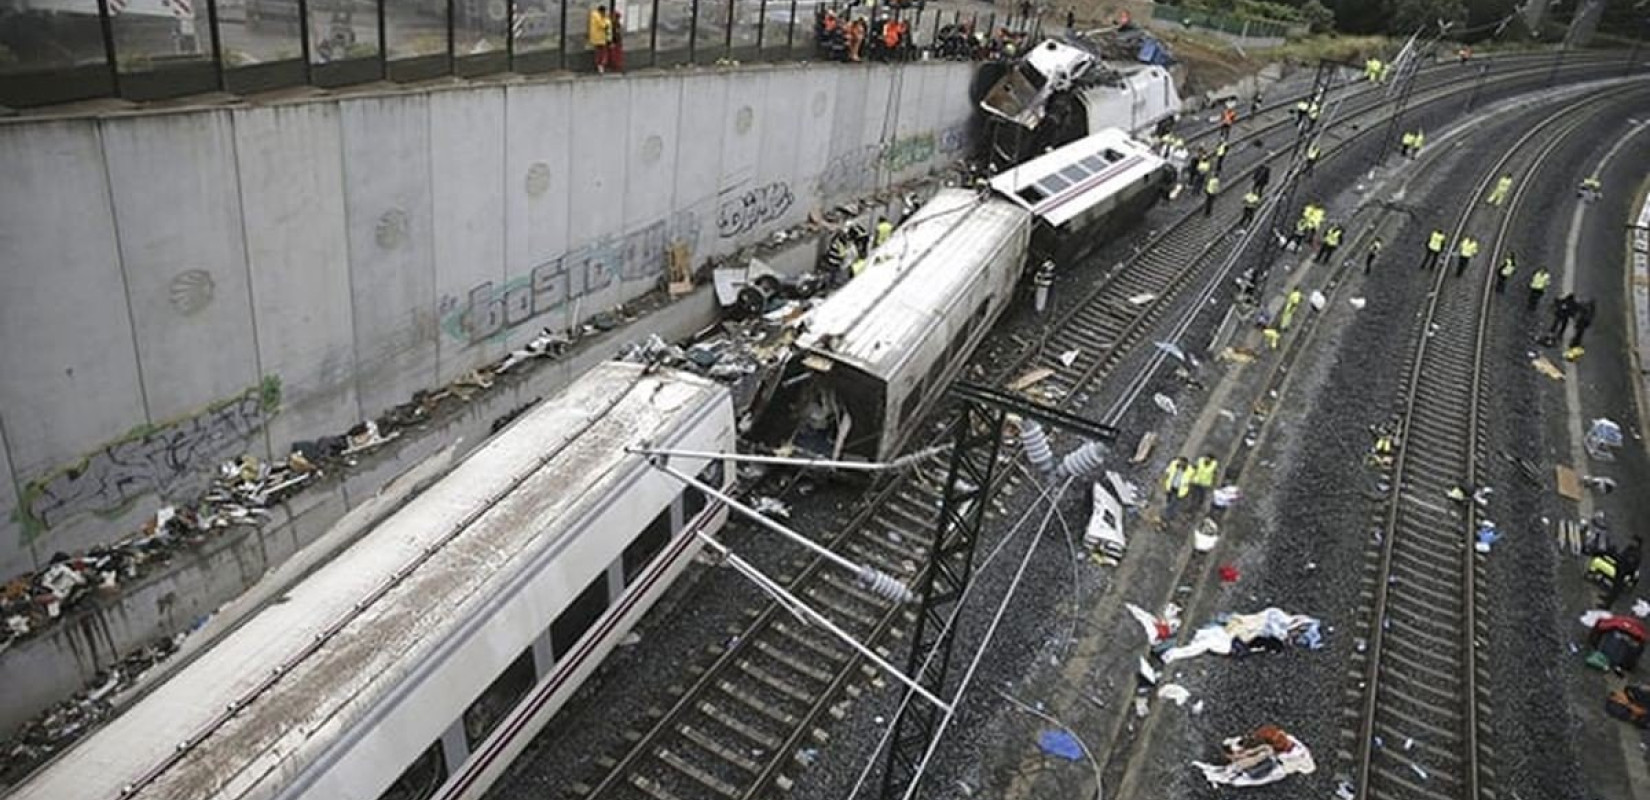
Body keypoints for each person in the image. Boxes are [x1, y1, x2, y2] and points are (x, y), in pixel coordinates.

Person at [1162, 457, 1191, 522]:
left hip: (1179, 490)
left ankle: (1165, 517)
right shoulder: (1174, 465)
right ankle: (1170, 516)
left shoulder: (1189, 471)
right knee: (1169, 501)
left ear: (1186, 464)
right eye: (1180, 462)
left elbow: (1191, 480)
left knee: (1173, 503)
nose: (1181, 464)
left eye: (1183, 463)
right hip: (1170, 487)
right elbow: (1167, 472)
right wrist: (1163, 482)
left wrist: (1188, 486)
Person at [588, 5, 612, 73]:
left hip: (596, 37)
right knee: (602, 52)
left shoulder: (594, 15)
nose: (605, 13)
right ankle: (601, 65)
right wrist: (606, 21)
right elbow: (603, 25)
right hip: (600, 37)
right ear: (602, 11)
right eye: (604, 11)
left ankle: (599, 65)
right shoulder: (598, 16)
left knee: (598, 52)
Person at [608, 5, 625, 72]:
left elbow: (616, 34)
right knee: (616, 55)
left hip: (616, 42)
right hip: (616, 42)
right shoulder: (615, 24)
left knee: (616, 55)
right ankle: (616, 66)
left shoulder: (615, 24)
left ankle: (616, 67)